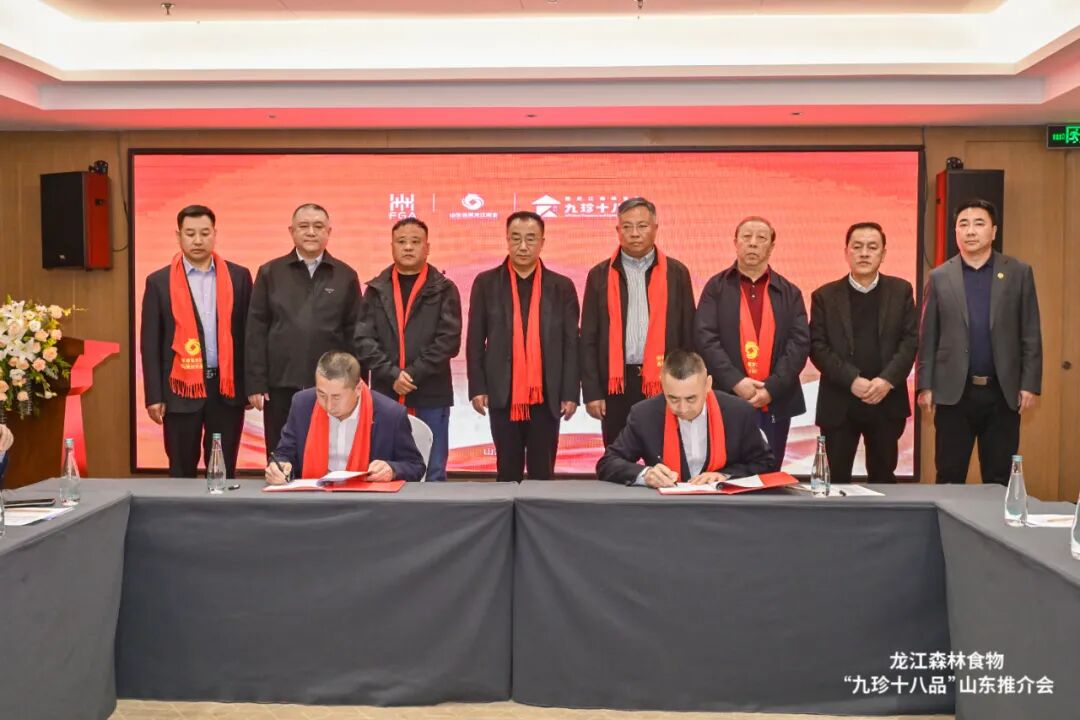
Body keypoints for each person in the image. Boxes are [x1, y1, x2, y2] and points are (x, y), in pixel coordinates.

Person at [917, 198, 1042, 485]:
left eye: (979, 224)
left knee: (999, 477)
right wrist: (925, 385)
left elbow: (1031, 331)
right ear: (956, 232)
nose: (970, 231)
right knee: (949, 475)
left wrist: (1029, 383)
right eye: (963, 224)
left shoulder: (1018, 273)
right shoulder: (940, 276)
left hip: (1002, 392)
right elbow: (928, 335)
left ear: (993, 231)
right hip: (953, 393)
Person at [466, 211, 580, 482]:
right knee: (507, 471)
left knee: (543, 472)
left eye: (531, 239)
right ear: (507, 240)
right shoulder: (486, 283)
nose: (523, 246)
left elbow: (571, 345)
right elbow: (475, 340)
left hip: (547, 394)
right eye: (515, 238)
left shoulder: (561, 287)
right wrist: (478, 387)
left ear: (542, 242)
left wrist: (570, 393)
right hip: (502, 392)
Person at [140, 204, 253, 477]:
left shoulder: (239, 277)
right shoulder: (158, 281)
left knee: (223, 469)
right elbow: (150, 343)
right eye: (190, 234)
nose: (198, 240)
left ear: (215, 234)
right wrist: (154, 396)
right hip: (179, 390)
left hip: (226, 391)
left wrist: (251, 386)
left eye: (205, 233)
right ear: (178, 236)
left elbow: (249, 336)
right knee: (181, 471)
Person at [246, 203, 362, 457]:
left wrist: (354, 381)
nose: (311, 232)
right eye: (304, 226)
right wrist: (255, 382)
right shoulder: (270, 272)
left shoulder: (345, 275)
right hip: (280, 384)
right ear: (292, 231)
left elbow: (354, 334)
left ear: (328, 232)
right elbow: (256, 330)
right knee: (281, 456)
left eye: (318, 226)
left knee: (327, 455)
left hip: (331, 387)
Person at [694, 216, 810, 469]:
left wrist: (771, 389)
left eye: (761, 238)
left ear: (771, 246)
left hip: (776, 400)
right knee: (725, 471)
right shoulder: (716, 288)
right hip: (727, 397)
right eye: (746, 237)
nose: (753, 243)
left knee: (769, 471)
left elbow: (799, 345)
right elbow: (705, 338)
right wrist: (737, 382)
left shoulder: (789, 292)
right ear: (735, 242)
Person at [580, 197, 695, 445]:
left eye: (642, 226)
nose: (634, 233)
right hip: (616, 385)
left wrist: (688, 385)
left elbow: (688, 334)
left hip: (666, 382)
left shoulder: (677, 273)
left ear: (655, 228)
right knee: (617, 457)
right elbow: (588, 338)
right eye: (627, 227)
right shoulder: (599, 275)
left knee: (665, 457)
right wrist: (592, 392)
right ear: (618, 230)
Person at [809, 222, 918, 484]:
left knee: (883, 479)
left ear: (883, 253)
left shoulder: (901, 291)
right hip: (839, 402)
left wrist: (886, 381)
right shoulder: (824, 295)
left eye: (872, 247)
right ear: (846, 252)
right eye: (857, 247)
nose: (864, 253)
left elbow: (910, 341)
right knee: (835, 481)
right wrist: (852, 380)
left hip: (886, 400)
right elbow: (817, 346)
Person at [354, 218, 462, 482]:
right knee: (383, 468)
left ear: (428, 248)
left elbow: (449, 341)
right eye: (401, 242)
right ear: (392, 246)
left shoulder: (444, 289)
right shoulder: (376, 290)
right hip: (385, 393)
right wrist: (392, 374)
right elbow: (363, 340)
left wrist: (412, 374)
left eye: (415, 242)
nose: (408, 247)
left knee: (433, 469)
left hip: (431, 391)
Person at [596, 349, 774, 486]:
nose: (682, 408)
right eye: (673, 398)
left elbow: (766, 464)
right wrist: (646, 474)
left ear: (708, 385)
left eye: (691, 398)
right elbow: (607, 464)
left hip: (723, 510)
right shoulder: (644, 415)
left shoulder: (738, 412)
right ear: (662, 386)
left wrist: (725, 476)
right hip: (666, 511)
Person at [265, 351, 425, 483]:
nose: (328, 405)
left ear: (358, 389)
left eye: (336, 397)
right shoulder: (303, 404)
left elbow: (416, 466)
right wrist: (279, 467)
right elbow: (283, 453)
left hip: (367, 503)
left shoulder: (390, 414)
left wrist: (393, 470)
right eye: (321, 394)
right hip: (314, 499)